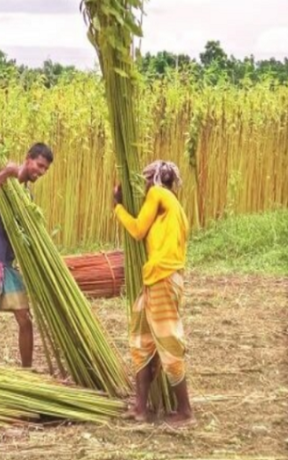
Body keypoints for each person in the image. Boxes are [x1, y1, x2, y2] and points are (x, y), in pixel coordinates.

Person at [113, 160, 194, 426]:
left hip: (162, 278)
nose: (145, 186)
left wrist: (118, 208)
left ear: (154, 180)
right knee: (141, 341)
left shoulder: (158, 194)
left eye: (146, 181)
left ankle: (185, 412)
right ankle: (140, 409)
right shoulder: (175, 207)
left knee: (168, 342)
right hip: (156, 280)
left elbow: (137, 230)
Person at [0, 142, 54, 368]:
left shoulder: (26, 197)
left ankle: (26, 372)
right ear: (28, 158)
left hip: (5, 261)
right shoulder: (5, 181)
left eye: (45, 169)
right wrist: (5, 173)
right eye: (39, 165)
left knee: (25, 319)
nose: (41, 172)